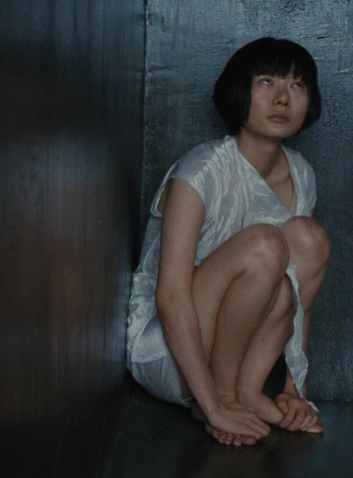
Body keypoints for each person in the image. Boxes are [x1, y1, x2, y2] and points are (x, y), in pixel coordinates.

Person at [126, 37, 330, 446]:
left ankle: (248, 392)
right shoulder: (200, 171)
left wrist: (295, 388)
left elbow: (300, 297)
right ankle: (221, 398)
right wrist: (213, 405)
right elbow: (170, 297)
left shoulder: (301, 173)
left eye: (297, 85)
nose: (282, 98)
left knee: (308, 240)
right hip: (169, 349)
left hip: (233, 351)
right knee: (266, 245)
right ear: (240, 91)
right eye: (267, 82)